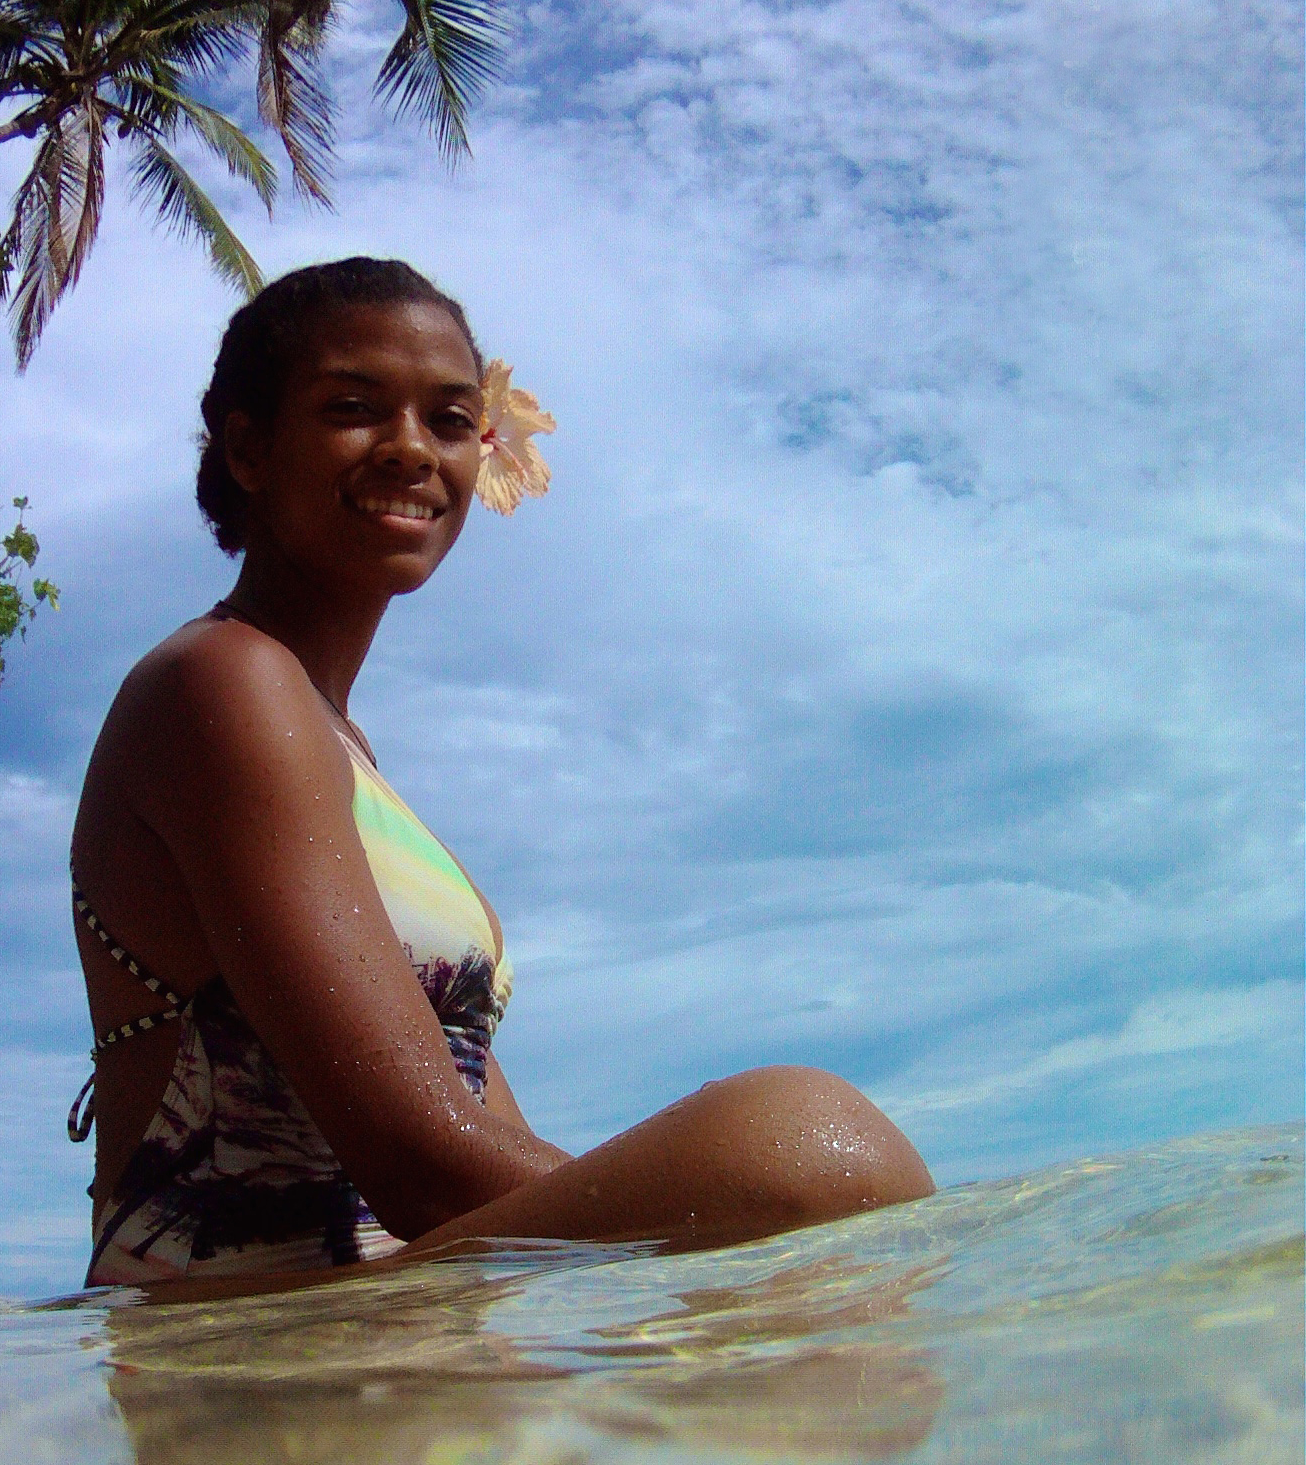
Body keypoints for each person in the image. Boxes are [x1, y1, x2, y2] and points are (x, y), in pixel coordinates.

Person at [68, 257, 932, 1290]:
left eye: (447, 421)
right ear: (247, 444)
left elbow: (480, 1145)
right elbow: (424, 1164)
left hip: (392, 1332)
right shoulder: (222, 683)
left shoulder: (335, 746)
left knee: (813, 1219)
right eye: (353, 409)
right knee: (810, 1136)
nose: (408, 450)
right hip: (234, 1352)